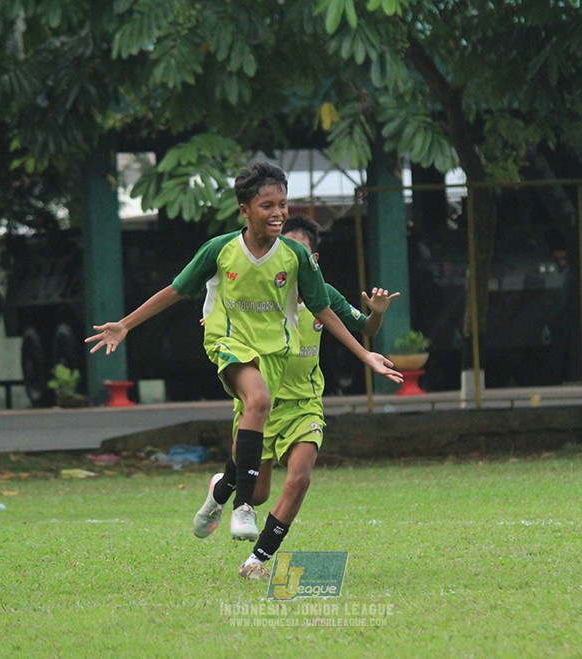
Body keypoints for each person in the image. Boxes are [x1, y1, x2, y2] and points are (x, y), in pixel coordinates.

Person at [87, 161, 403, 541]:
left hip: (274, 354)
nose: (278, 213)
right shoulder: (220, 250)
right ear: (245, 210)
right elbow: (175, 291)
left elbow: (323, 309)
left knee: (259, 473)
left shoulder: (296, 257)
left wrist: (364, 354)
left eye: (283, 205)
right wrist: (125, 324)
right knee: (258, 400)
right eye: (268, 206)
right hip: (228, 343)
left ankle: (221, 494)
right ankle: (242, 510)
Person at [192, 215, 399, 580]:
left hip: (305, 405)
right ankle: (220, 490)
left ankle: (257, 561)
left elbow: (364, 328)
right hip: (260, 405)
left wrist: (376, 315)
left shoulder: (325, 296)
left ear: (311, 261)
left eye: (295, 253)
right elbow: (221, 310)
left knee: (300, 478)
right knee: (254, 495)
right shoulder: (255, 296)